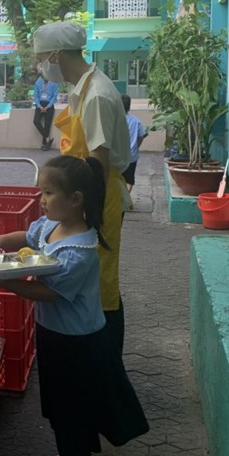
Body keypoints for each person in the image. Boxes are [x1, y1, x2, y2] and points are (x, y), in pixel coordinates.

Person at [0, 156, 148, 456]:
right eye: (41, 192)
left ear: (75, 199)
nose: (41, 200)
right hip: (55, 335)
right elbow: (28, 238)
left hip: (77, 345)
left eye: (48, 193)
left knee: (70, 407)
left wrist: (4, 282)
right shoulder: (52, 226)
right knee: (65, 402)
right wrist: (1, 240)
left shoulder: (78, 252)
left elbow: (49, 293)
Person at [32, 20, 131, 355]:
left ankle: (106, 359)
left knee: (101, 283)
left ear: (56, 55)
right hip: (82, 194)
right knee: (93, 280)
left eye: (41, 58)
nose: (41, 66)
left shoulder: (97, 95)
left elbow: (98, 161)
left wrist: (87, 215)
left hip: (96, 195)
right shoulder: (83, 88)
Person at [121, 94, 148, 193]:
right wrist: (137, 146)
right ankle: (126, 198)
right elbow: (141, 136)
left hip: (116, 155)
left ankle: (119, 198)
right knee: (129, 180)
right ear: (129, 107)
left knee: (117, 178)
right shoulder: (136, 121)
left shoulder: (114, 119)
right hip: (131, 155)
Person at [33, 73, 60, 151]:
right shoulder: (38, 82)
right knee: (36, 121)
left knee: (47, 125)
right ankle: (48, 139)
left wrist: (48, 107)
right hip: (40, 104)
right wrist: (40, 106)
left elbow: (54, 97)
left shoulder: (55, 83)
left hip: (49, 105)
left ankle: (46, 145)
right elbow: (36, 96)